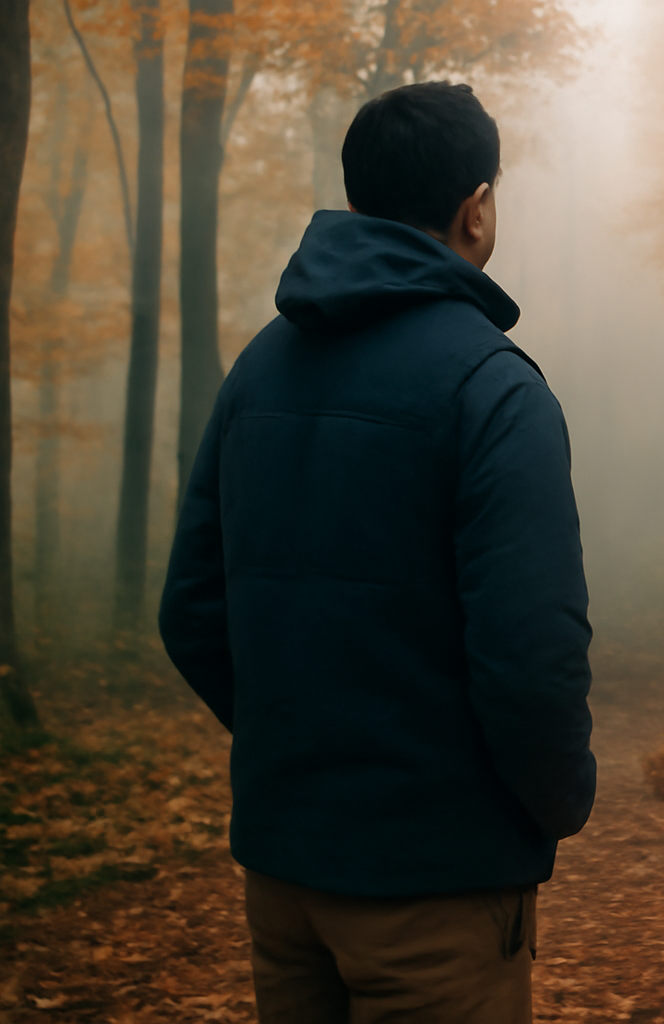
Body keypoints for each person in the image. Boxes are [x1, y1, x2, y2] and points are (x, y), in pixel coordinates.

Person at [159, 81, 596, 1024]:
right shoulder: (494, 389)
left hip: (284, 878)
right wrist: (555, 804)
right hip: (436, 890)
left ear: (358, 199)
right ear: (476, 208)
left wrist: (302, 747)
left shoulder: (260, 367)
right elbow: (532, 656)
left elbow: (191, 611)